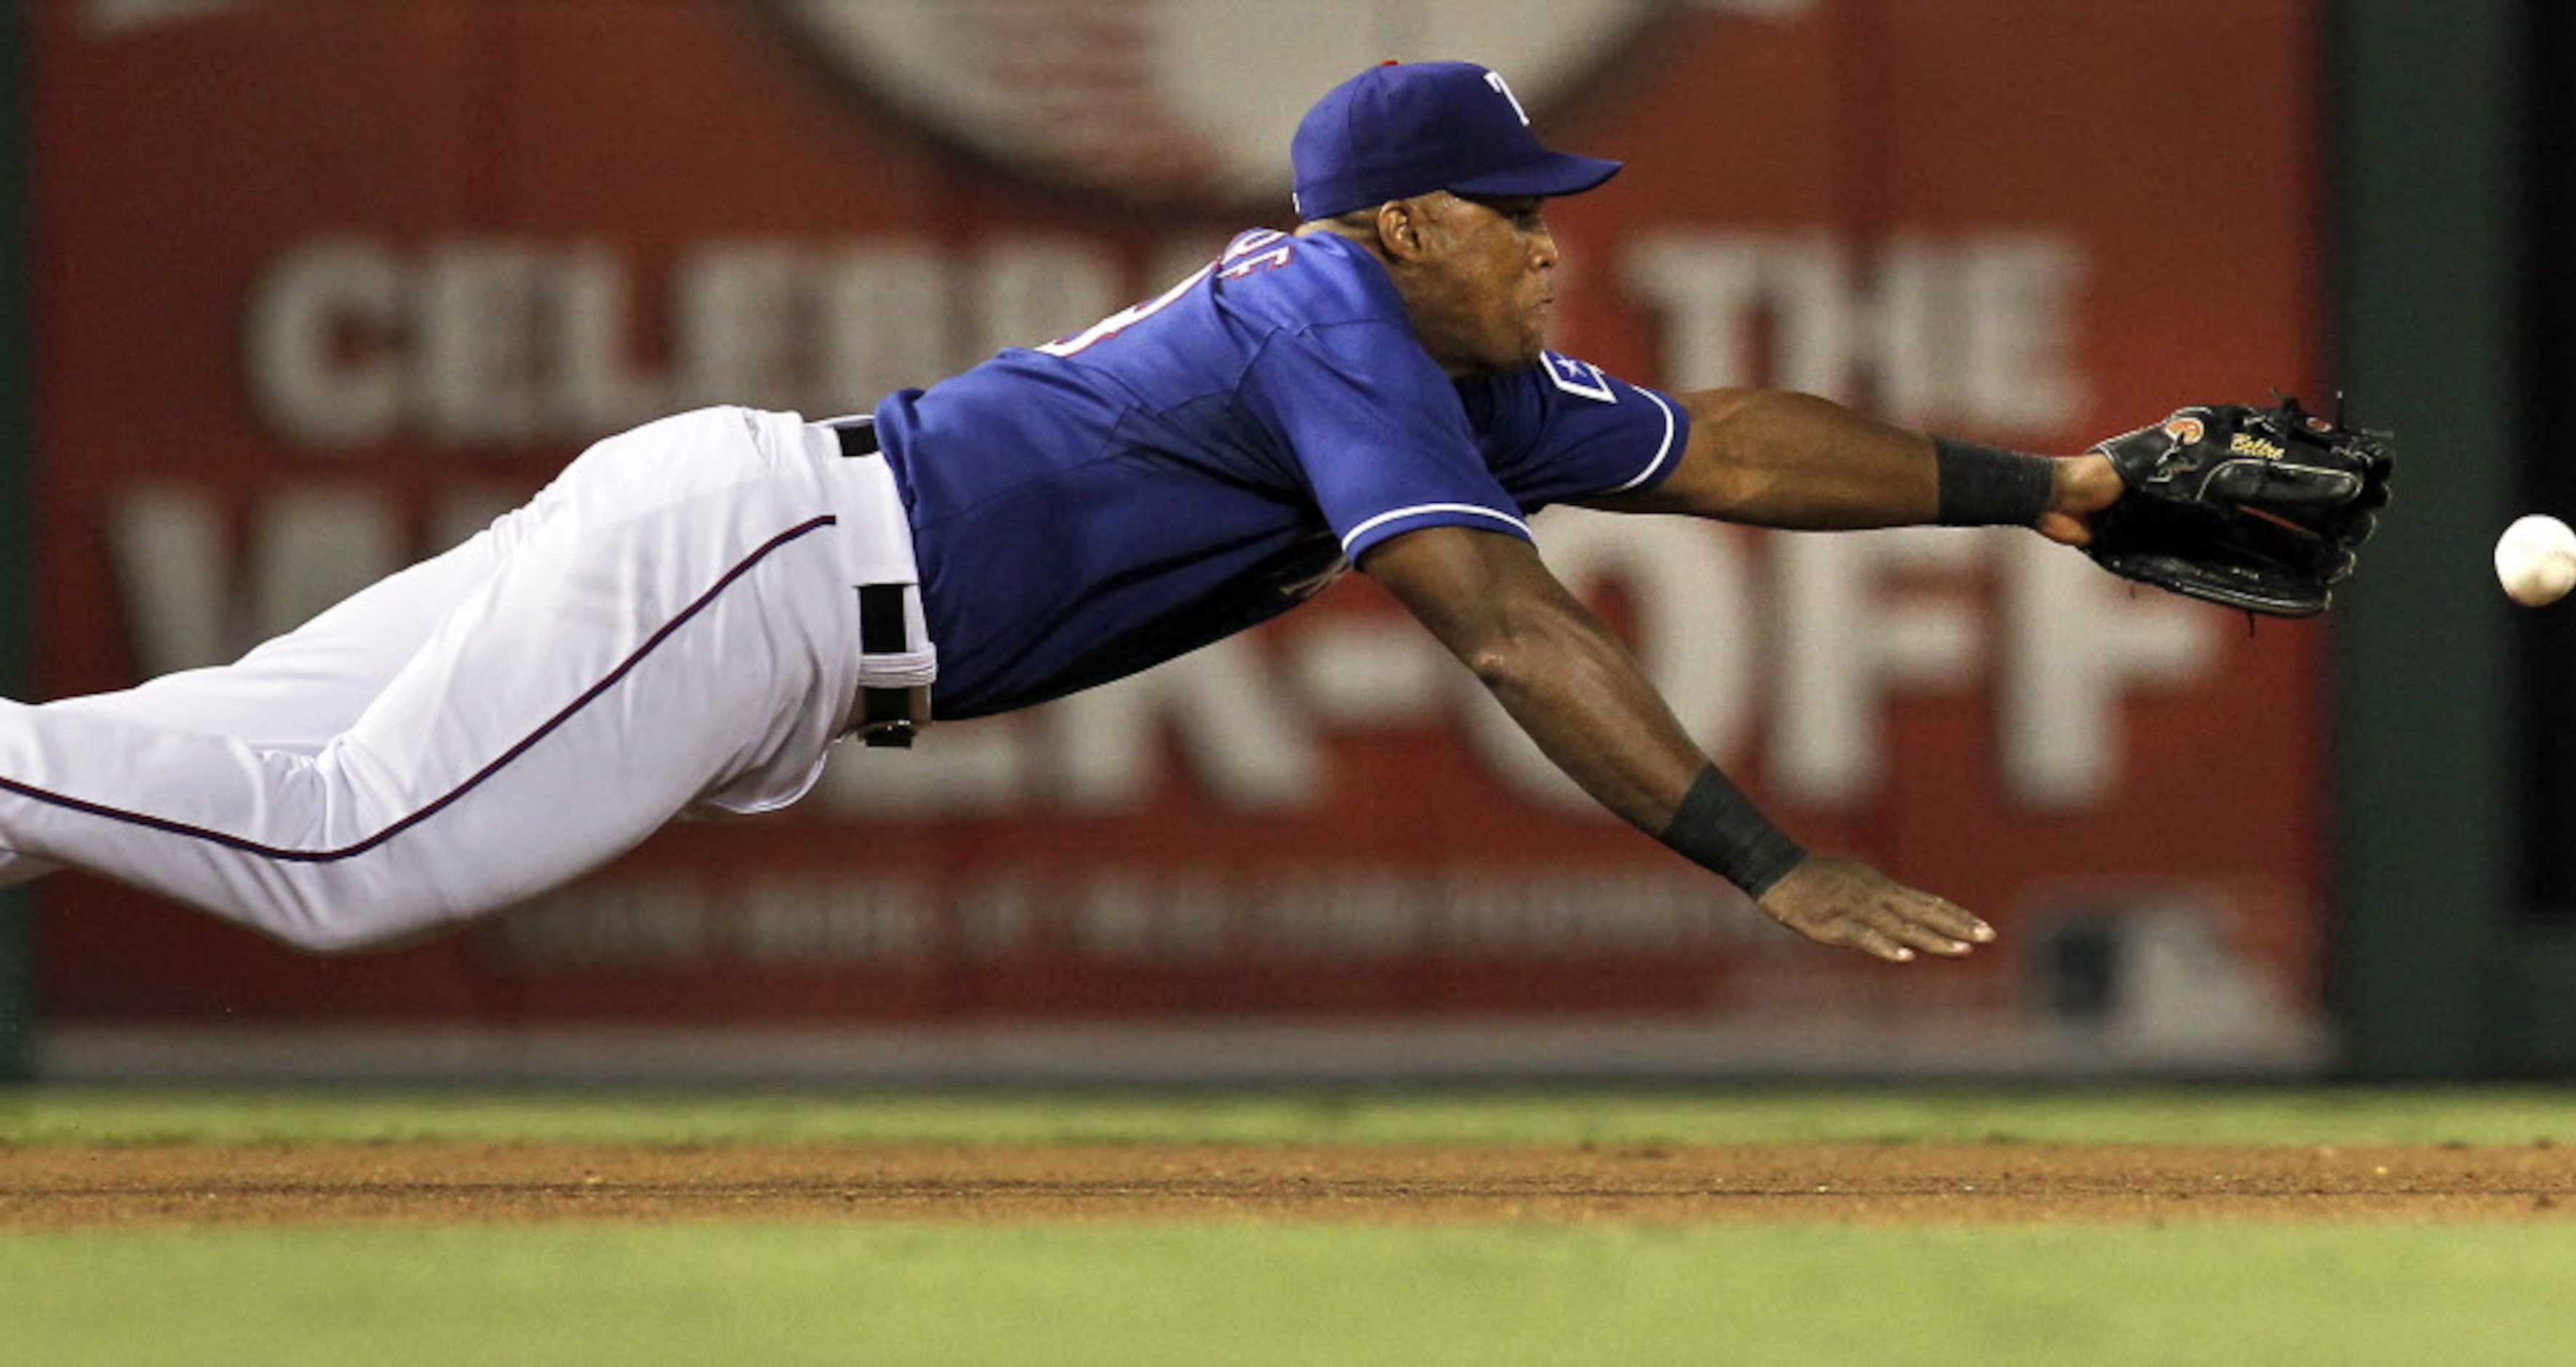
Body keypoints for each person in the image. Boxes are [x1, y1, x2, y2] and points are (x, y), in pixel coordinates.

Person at [0, 60, 2120, 959]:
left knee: (250, 754)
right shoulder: (1333, 315)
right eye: (1518, 221)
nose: (1552, 250)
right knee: (345, 856)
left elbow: (1725, 449)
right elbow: (1505, 629)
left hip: (760, 557)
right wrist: (1767, 862)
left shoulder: (1436, 352)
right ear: (1401, 224)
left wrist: (2054, 492)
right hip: (770, 573)